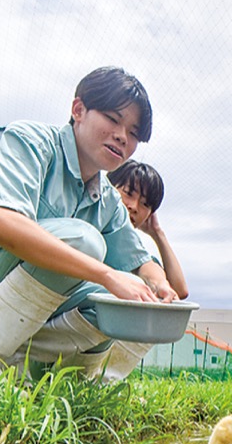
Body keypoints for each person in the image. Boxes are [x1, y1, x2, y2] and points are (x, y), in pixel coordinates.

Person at [0, 66, 178, 381]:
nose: (122, 137)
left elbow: (140, 262)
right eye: (113, 119)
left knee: (114, 302)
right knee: (85, 243)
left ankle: (54, 382)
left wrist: (159, 287)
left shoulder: (106, 199)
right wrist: (107, 274)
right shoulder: (30, 141)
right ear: (78, 109)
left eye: (134, 133)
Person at [59, 158, 189, 379]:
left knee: (151, 304)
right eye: (128, 193)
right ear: (109, 187)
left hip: (86, 338)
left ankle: (98, 380)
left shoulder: (134, 254)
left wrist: (157, 233)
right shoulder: (87, 223)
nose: (134, 206)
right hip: (58, 313)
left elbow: (179, 290)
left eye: (145, 204)